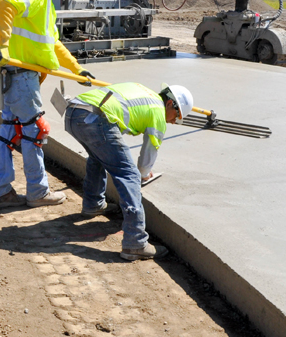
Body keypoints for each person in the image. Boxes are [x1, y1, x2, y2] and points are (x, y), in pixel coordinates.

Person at [0, 0, 96, 208]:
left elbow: (52, 43)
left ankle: (1, 191)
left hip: (13, 76)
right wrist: (3, 46)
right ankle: (38, 192)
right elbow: (5, 5)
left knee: (9, 131)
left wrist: (76, 69)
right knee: (35, 130)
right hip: (22, 76)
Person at [64, 82, 193, 260]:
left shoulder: (145, 91)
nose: (173, 121)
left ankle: (93, 204)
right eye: (176, 117)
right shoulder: (157, 112)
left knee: (98, 156)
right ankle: (135, 242)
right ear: (170, 104)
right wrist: (144, 173)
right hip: (95, 118)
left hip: (74, 112)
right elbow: (147, 157)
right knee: (129, 174)